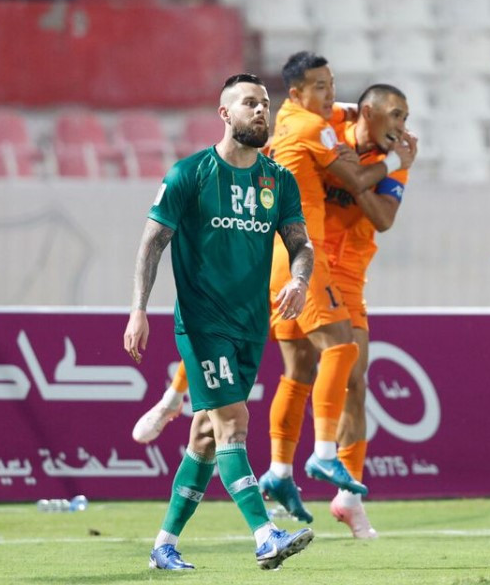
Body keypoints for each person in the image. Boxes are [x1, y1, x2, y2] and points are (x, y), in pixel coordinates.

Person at [123, 73, 317, 571]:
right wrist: (139, 308)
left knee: (205, 437)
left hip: (253, 325)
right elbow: (153, 240)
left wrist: (298, 280)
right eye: (249, 103)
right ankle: (265, 534)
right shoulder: (190, 174)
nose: (260, 111)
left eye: (265, 103)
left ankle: (163, 545)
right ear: (224, 114)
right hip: (202, 322)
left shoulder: (279, 180)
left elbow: (301, 244)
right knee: (234, 423)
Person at [257, 52, 416, 524]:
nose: (403, 127)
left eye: (407, 118)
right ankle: (321, 458)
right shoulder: (328, 129)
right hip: (307, 257)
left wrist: (378, 167)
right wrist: (377, 166)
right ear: (370, 112)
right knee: (335, 355)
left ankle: (333, 493)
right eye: (396, 115)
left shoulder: (338, 127)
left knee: (337, 376)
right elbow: (347, 157)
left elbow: (384, 218)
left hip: (341, 270)